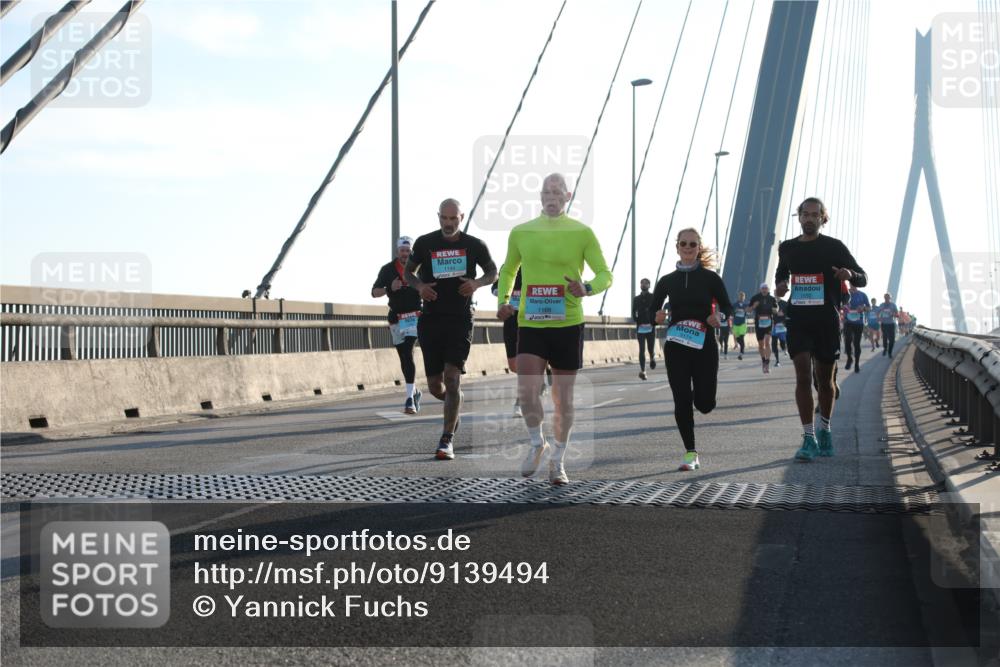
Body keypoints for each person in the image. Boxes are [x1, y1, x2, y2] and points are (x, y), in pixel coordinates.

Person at [497, 173, 612, 486]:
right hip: (531, 321)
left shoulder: (582, 233)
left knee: (563, 399)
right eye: (546, 191)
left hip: (568, 322)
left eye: (557, 192)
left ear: (567, 196)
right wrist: (504, 299)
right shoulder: (521, 232)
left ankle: (558, 459)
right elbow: (509, 269)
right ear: (540, 195)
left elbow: (605, 274)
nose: (551, 196)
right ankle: (537, 444)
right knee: (527, 389)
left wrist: (586, 287)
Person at [774, 197, 867, 462]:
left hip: (826, 320)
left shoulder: (834, 247)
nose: (809, 218)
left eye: (815, 214)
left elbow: (863, 276)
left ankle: (825, 429)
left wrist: (849, 275)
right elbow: (781, 275)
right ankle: (808, 437)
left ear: (822, 218)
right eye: (805, 214)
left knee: (825, 382)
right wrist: (781, 286)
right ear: (799, 216)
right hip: (799, 320)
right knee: (803, 377)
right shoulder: (788, 248)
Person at [405, 198, 497, 461]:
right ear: (438, 217)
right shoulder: (425, 243)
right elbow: (408, 274)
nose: (448, 223)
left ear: (461, 217)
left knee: (452, 377)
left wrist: (477, 283)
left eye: (453, 219)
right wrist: (420, 287)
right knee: (436, 385)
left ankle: (447, 439)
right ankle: (452, 404)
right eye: (444, 219)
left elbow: (493, 272)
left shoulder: (474, 245)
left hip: (460, 318)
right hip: (431, 319)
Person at [649, 228, 733, 471]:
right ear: (677, 247)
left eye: (692, 244)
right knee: (681, 399)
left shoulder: (710, 278)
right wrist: (657, 316)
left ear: (698, 248)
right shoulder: (666, 281)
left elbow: (727, 306)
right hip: (676, 346)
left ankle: (702, 398)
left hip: (704, 344)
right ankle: (690, 452)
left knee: (705, 403)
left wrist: (719, 315)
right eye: (683, 243)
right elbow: (650, 313)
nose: (688, 247)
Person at [372, 236, 423, 414]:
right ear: (397, 252)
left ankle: (409, 399)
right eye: (402, 250)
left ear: (412, 252)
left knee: (408, 350)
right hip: (396, 317)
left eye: (408, 251)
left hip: (414, 316)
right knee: (403, 356)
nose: (405, 254)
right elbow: (374, 292)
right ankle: (414, 391)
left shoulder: (420, 268)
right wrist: (388, 289)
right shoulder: (387, 270)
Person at [749, 283, 778, 374]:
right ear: (760, 289)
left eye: (766, 288)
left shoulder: (772, 299)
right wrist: (754, 306)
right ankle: (763, 360)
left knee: (767, 342)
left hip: (769, 323)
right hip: (759, 324)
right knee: (761, 345)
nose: (764, 290)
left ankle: (767, 362)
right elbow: (748, 310)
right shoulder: (755, 298)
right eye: (763, 288)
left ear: (768, 289)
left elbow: (776, 309)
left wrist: (775, 310)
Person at [633, 278, 657, 380]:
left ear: (649, 285)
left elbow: (656, 309)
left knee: (650, 348)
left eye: (646, 283)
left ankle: (652, 357)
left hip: (650, 326)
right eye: (642, 283)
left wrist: (653, 321)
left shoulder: (653, 297)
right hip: (641, 327)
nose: (643, 284)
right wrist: (637, 321)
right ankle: (643, 370)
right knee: (641, 349)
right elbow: (633, 312)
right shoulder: (636, 299)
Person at [842, 284, 869, 373]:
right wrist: (843, 307)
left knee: (856, 344)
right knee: (847, 341)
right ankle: (849, 358)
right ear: (849, 284)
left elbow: (869, 307)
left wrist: (863, 308)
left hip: (858, 322)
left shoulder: (862, 295)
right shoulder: (845, 293)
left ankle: (857, 364)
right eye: (851, 283)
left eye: (854, 283)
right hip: (848, 322)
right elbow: (839, 304)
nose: (852, 285)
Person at [878, 293, 899, 357]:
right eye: (885, 297)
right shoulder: (881, 305)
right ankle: (885, 348)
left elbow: (897, 315)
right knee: (885, 337)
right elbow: (877, 313)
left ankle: (889, 352)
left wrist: (893, 314)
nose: (886, 298)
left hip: (891, 324)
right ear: (884, 298)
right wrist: (879, 318)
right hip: (884, 324)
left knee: (892, 340)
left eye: (888, 297)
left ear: (890, 298)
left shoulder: (893, 305)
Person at [731, 291, 749, 360]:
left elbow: (749, 312)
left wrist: (747, 311)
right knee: (738, 339)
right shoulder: (734, 305)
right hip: (736, 324)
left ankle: (741, 353)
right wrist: (735, 311)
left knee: (741, 338)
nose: (741, 297)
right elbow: (731, 313)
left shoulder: (746, 305)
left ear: (744, 297)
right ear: (738, 297)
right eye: (740, 296)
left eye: (743, 296)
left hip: (743, 324)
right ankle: (742, 349)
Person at [771, 298, 788, 366]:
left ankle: (784, 349)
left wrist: (784, 316)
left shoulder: (785, 303)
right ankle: (777, 361)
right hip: (775, 327)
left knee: (782, 343)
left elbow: (789, 313)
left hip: (782, 327)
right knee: (774, 344)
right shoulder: (772, 303)